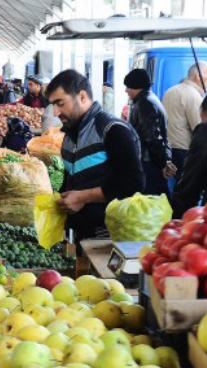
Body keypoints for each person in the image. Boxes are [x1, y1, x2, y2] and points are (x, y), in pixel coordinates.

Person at [46, 69, 144, 240]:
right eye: (52, 105)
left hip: (109, 235)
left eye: (60, 103)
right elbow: (72, 177)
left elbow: (133, 184)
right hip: (80, 233)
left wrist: (83, 197)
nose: (55, 112)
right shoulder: (69, 136)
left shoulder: (113, 130)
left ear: (82, 97)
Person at [124, 68, 174, 195]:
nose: (126, 91)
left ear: (136, 87)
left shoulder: (144, 103)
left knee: (151, 198)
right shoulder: (151, 99)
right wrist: (165, 159)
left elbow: (152, 136)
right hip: (153, 160)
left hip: (149, 161)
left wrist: (163, 162)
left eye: (128, 87)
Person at [162, 61, 207, 182]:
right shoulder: (193, 96)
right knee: (185, 187)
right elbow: (199, 128)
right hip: (184, 150)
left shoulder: (170, 91)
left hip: (169, 149)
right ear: (198, 77)